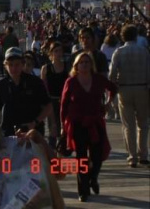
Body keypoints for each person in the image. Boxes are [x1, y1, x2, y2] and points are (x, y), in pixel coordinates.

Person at [61, 51, 117, 202]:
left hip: (95, 121)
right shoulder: (71, 82)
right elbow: (64, 105)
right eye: (82, 62)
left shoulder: (98, 79)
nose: (84, 64)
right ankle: (83, 190)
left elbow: (113, 88)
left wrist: (107, 104)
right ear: (76, 66)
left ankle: (93, 178)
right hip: (77, 123)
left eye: (87, 62)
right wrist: (63, 126)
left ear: (91, 65)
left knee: (97, 155)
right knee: (81, 158)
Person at [108, 24, 149, 168]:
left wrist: (116, 85)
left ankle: (132, 157)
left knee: (128, 125)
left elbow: (111, 75)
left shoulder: (119, 52)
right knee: (143, 125)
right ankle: (143, 154)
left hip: (125, 89)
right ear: (136, 36)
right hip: (142, 88)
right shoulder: (144, 51)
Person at [0, 47, 52, 138]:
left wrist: (35, 122)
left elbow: (48, 106)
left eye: (17, 64)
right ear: (5, 65)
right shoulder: (1, 86)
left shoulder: (35, 82)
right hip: (9, 135)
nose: (14, 68)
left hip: (33, 133)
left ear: (22, 64)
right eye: (11, 65)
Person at [40, 41, 69, 148]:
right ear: (51, 53)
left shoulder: (66, 67)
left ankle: (63, 146)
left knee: (65, 124)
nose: (58, 53)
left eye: (60, 51)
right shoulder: (46, 68)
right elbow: (43, 86)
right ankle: (52, 148)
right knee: (53, 124)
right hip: (51, 99)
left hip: (64, 99)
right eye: (56, 51)